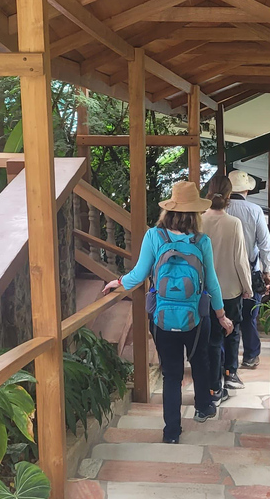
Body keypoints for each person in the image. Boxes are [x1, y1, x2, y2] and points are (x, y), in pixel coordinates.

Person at [101, 181, 233, 444]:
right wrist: (221, 315)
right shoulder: (201, 240)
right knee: (200, 361)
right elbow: (212, 282)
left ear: (168, 209)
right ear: (195, 213)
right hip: (196, 316)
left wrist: (118, 282)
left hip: (161, 316)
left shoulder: (154, 236)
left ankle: (171, 432)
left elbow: (139, 274)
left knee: (171, 374)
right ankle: (202, 407)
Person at [202, 176, 254, 400]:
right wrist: (247, 287)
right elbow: (240, 260)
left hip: (204, 291)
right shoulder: (233, 223)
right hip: (230, 289)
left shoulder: (198, 221)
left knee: (210, 338)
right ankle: (230, 372)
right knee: (231, 333)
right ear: (228, 196)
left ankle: (213, 386)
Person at [225, 170, 270, 369]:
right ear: (246, 189)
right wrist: (267, 270)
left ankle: (225, 360)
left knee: (225, 317)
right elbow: (264, 243)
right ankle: (251, 356)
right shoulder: (255, 210)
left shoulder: (219, 209)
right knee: (249, 316)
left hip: (223, 272)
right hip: (251, 271)